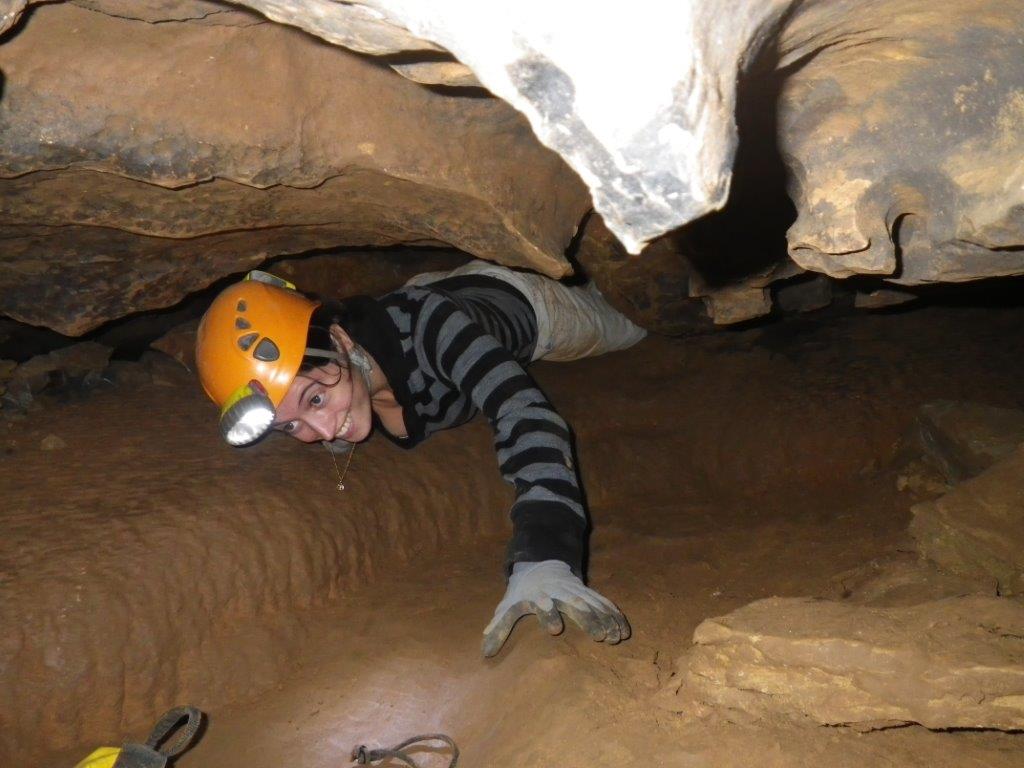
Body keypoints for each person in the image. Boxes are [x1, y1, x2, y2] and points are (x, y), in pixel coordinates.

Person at [195, 260, 646, 656]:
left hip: (520, 305)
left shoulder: (433, 331)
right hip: (426, 291)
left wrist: (544, 555)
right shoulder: (338, 374)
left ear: (340, 340)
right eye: (290, 427)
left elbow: (523, 412)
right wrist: (306, 408)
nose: (325, 431)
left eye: (314, 401)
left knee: (631, 324)